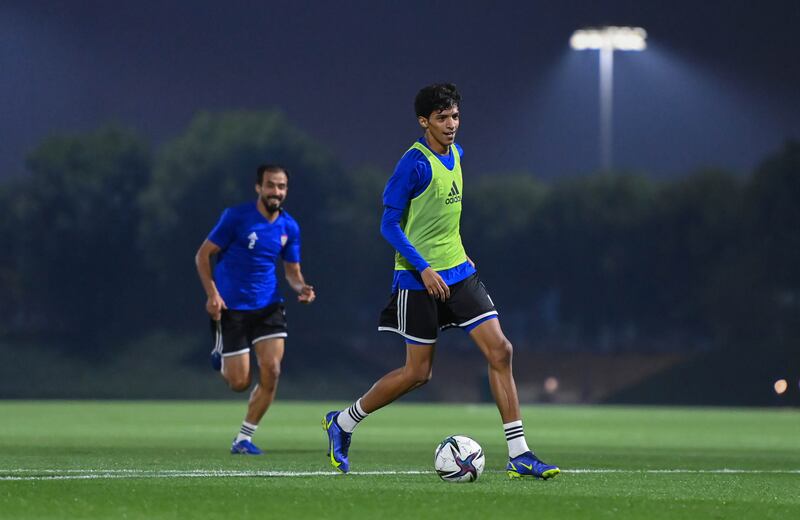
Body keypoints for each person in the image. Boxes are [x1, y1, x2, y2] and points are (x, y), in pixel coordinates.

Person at [323, 83, 559, 479]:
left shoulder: (458, 154)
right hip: (418, 281)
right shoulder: (413, 164)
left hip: (460, 273)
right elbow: (388, 225)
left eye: (455, 117)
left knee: (501, 350)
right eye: (442, 118)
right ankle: (343, 422)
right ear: (423, 121)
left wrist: (459, 250)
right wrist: (424, 268)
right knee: (417, 374)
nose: (451, 125)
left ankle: (519, 454)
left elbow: (445, 218)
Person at [196, 164, 315, 454]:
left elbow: (292, 271)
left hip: (268, 307)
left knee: (272, 370)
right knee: (239, 383)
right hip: (232, 308)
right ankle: (220, 354)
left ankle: (244, 439)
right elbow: (203, 255)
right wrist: (212, 295)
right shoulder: (236, 218)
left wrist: (302, 288)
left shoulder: (290, 227)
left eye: (282, 187)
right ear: (258, 187)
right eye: (271, 185)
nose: (277, 192)